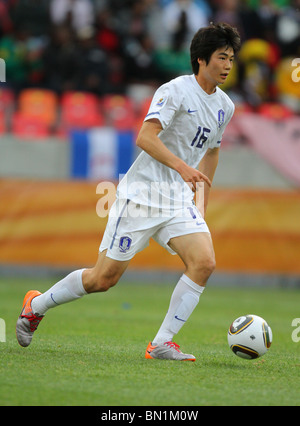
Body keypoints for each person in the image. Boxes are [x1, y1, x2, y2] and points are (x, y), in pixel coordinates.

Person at [16, 22, 241, 361]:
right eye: (222, 58)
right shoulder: (175, 91)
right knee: (102, 279)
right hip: (141, 195)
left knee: (204, 262)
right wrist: (182, 167)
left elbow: (211, 151)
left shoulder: (226, 106)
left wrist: (200, 201)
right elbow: (145, 137)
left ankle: (161, 342)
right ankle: (36, 306)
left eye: (231, 59)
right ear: (201, 59)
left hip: (177, 201)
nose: (227, 66)